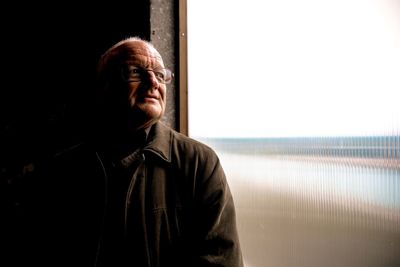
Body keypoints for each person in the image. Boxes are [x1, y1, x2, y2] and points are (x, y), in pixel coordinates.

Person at [18, 36, 243, 267]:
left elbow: (221, 259)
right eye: (135, 71)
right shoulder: (63, 170)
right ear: (104, 86)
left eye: (160, 74)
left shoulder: (198, 163)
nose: (153, 82)